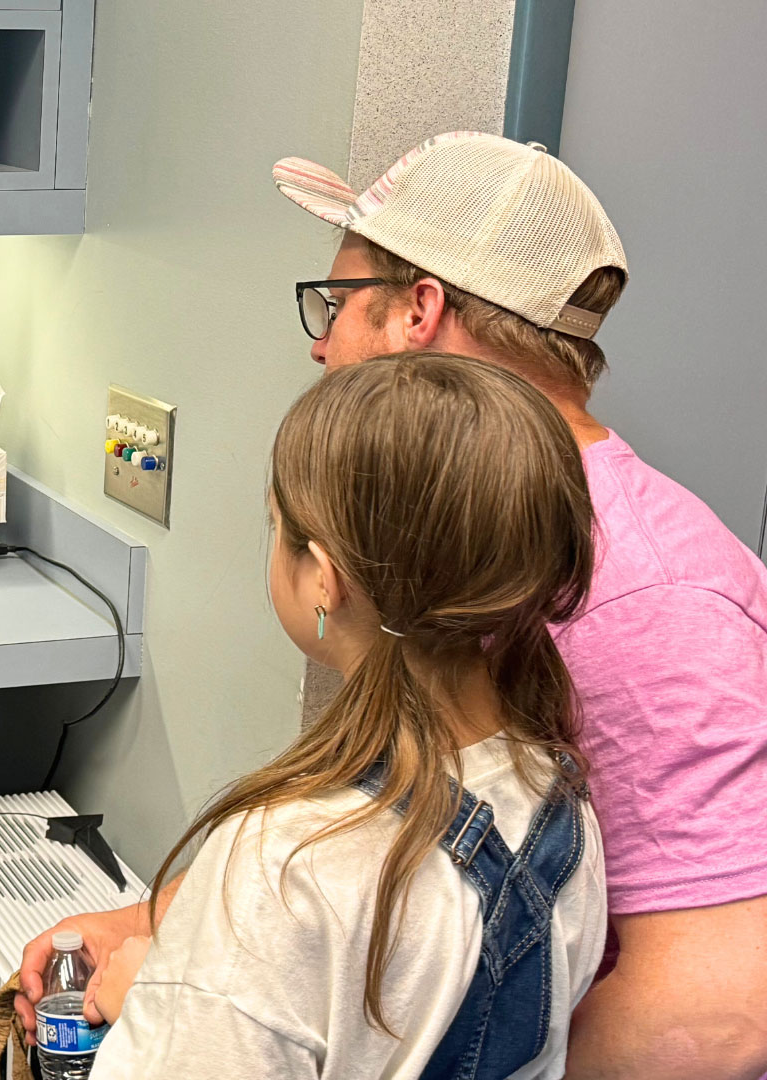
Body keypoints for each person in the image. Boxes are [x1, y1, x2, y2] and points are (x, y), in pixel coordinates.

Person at [20, 132, 767, 1080]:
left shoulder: (653, 601)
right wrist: (164, 926)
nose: (320, 342)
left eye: (338, 303)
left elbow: (728, 1010)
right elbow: (394, 832)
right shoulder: (468, 533)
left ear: (419, 312)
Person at [82, 352, 605, 1077]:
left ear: (323, 580)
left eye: (277, 526)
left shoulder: (281, 861)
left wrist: (156, 998)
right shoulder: (559, 799)